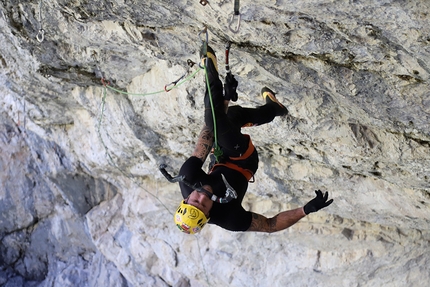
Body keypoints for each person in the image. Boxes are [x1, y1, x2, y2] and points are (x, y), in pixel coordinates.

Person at [172, 44, 333, 234]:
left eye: (194, 202)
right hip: (243, 161)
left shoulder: (187, 178)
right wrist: (306, 210)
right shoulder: (229, 217)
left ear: (186, 199)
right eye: (203, 206)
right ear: (208, 215)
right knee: (220, 122)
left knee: (229, 117)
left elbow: (207, 136)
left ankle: (274, 108)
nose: (201, 198)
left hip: (221, 157)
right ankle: (209, 67)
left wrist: (225, 100)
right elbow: (269, 225)